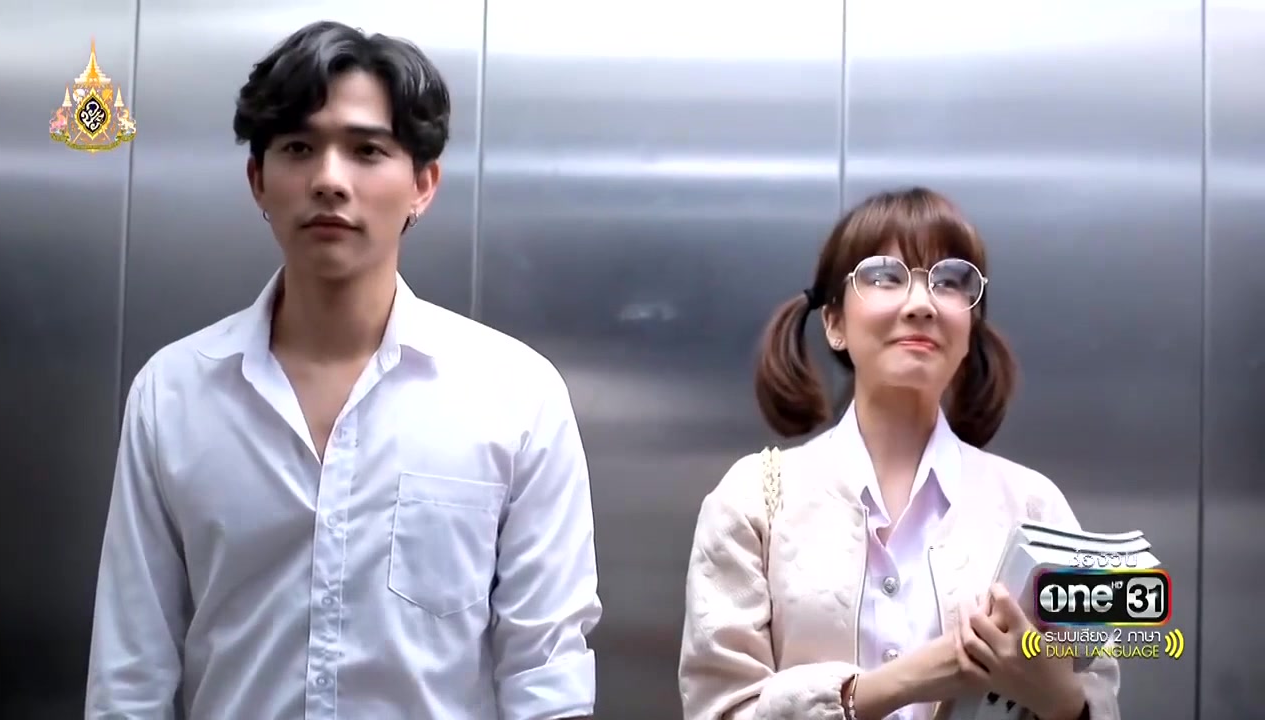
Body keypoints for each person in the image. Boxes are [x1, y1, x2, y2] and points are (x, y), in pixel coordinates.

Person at [84, 21, 600, 720]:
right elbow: (131, 670)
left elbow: (545, 670)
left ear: (423, 184)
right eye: (299, 148)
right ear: (258, 180)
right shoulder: (173, 393)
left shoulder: (516, 395)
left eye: (367, 150)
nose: (330, 180)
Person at [677, 188, 1120, 720]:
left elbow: (1098, 693)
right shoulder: (753, 499)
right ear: (834, 322)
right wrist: (909, 679)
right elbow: (719, 708)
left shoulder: (1033, 506)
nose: (921, 303)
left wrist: (1062, 702)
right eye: (885, 276)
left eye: (949, 281)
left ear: (969, 327)